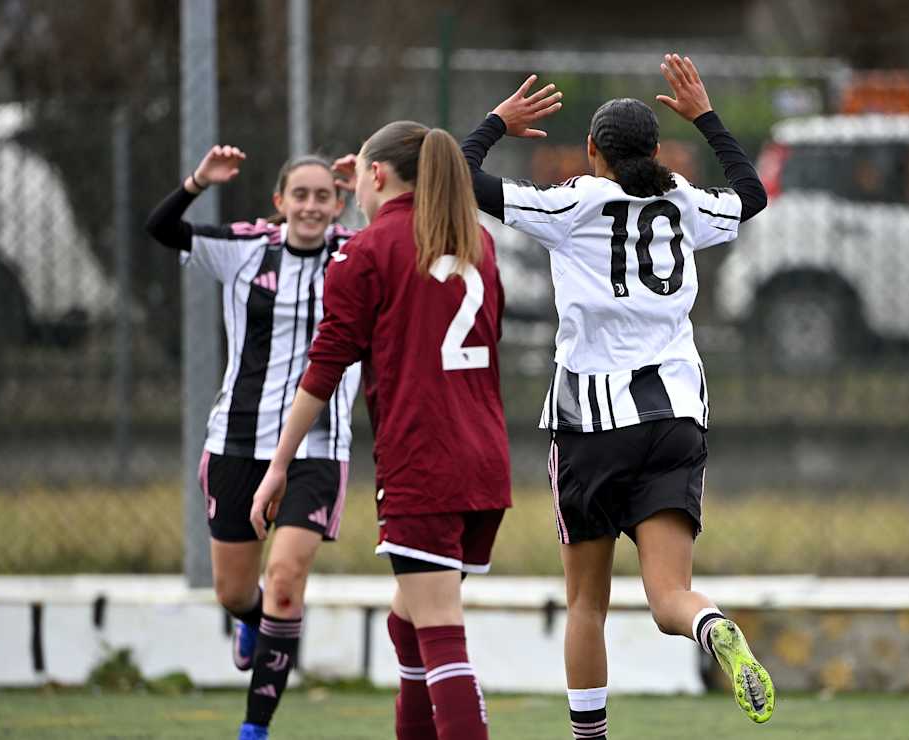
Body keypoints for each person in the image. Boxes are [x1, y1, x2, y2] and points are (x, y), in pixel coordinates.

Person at [462, 53, 776, 735]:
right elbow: (752, 195)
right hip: (675, 413)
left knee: (586, 604)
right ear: (659, 151)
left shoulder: (573, 201)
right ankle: (710, 624)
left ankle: (590, 736)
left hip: (592, 419)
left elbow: (461, 174)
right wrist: (708, 118)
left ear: (593, 152)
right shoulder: (684, 204)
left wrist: (497, 122)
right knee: (669, 596)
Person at [250, 121, 510, 740]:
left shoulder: (365, 251)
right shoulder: (475, 240)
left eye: (359, 177)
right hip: (486, 462)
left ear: (375, 176)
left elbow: (326, 366)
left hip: (425, 461)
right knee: (409, 622)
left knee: (441, 629)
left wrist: (280, 463)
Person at [144, 146, 362, 740]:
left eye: (325, 196)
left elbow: (424, 234)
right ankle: (253, 617)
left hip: (318, 448)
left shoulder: (358, 253)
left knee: (286, 584)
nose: (312, 206)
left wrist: (369, 184)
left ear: (339, 202)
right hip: (237, 442)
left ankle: (254, 728)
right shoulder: (245, 249)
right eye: (301, 195)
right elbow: (161, 229)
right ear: (279, 203)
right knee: (235, 590)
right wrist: (197, 182)